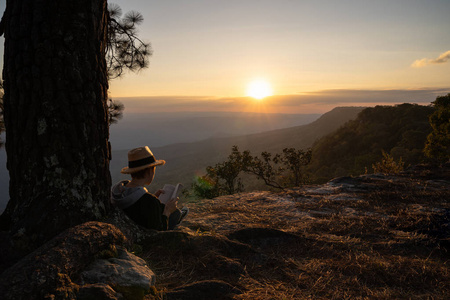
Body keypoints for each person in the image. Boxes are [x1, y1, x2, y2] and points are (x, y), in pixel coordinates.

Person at [111, 146, 188, 230]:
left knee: (161, 206)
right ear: (150, 171)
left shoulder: (118, 193)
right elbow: (159, 232)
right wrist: (167, 211)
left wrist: (153, 199)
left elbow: (138, 207)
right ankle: (177, 215)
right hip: (144, 234)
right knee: (171, 212)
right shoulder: (150, 201)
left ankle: (177, 214)